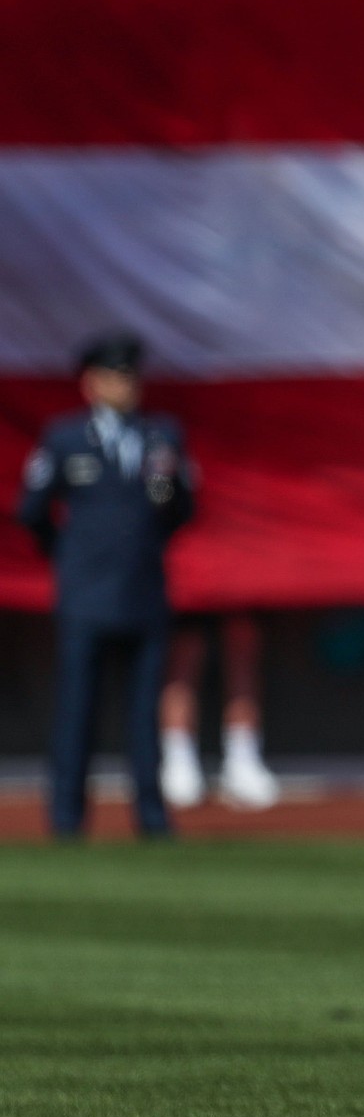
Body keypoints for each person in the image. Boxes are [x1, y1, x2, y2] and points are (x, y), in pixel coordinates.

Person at [16, 334, 197, 840]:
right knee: (77, 711)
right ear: (92, 383)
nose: (128, 385)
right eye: (117, 376)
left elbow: (175, 508)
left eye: (133, 376)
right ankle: (68, 819)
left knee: (144, 716)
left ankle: (152, 818)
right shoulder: (66, 439)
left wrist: (163, 490)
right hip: (85, 595)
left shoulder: (161, 437)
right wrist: (66, 556)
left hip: (143, 590)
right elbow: (32, 509)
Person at [159, 611, 281, 811]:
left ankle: (243, 760)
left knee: (242, 639)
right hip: (189, 591)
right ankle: (177, 761)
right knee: (187, 647)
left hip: (238, 588)